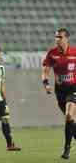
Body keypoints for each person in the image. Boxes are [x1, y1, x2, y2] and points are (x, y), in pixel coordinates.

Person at [42, 28, 76, 159]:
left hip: (73, 88)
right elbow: (45, 70)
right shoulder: (52, 53)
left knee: (68, 115)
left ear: (67, 38)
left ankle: (67, 149)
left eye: (60, 37)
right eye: (56, 37)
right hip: (60, 91)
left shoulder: (74, 52)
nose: (57, 39)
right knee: (70, 120)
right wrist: (46, 84)